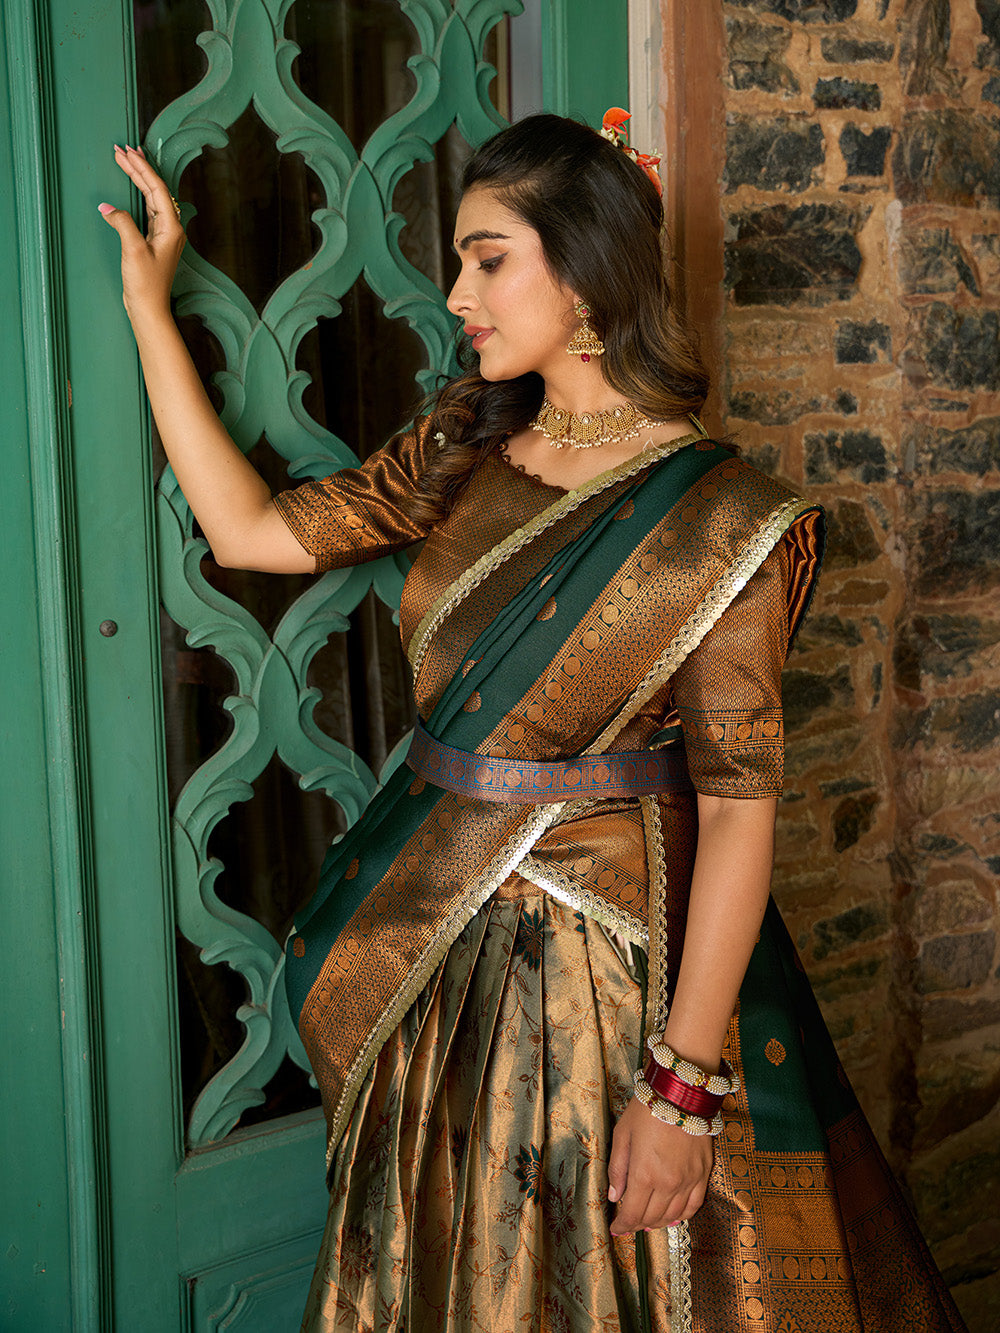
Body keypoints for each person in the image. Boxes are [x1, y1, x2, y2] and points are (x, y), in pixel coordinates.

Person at [101, 112, 966, 1333]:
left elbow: (736, 817)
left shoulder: (723, 522)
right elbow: (248, 532)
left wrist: (679, 1094)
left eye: (488, 259)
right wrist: (149, 306)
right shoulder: (467, 447)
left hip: (599, 993)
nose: (457, 293)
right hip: (436, 959)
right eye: (460, 261)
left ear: (588, 267)